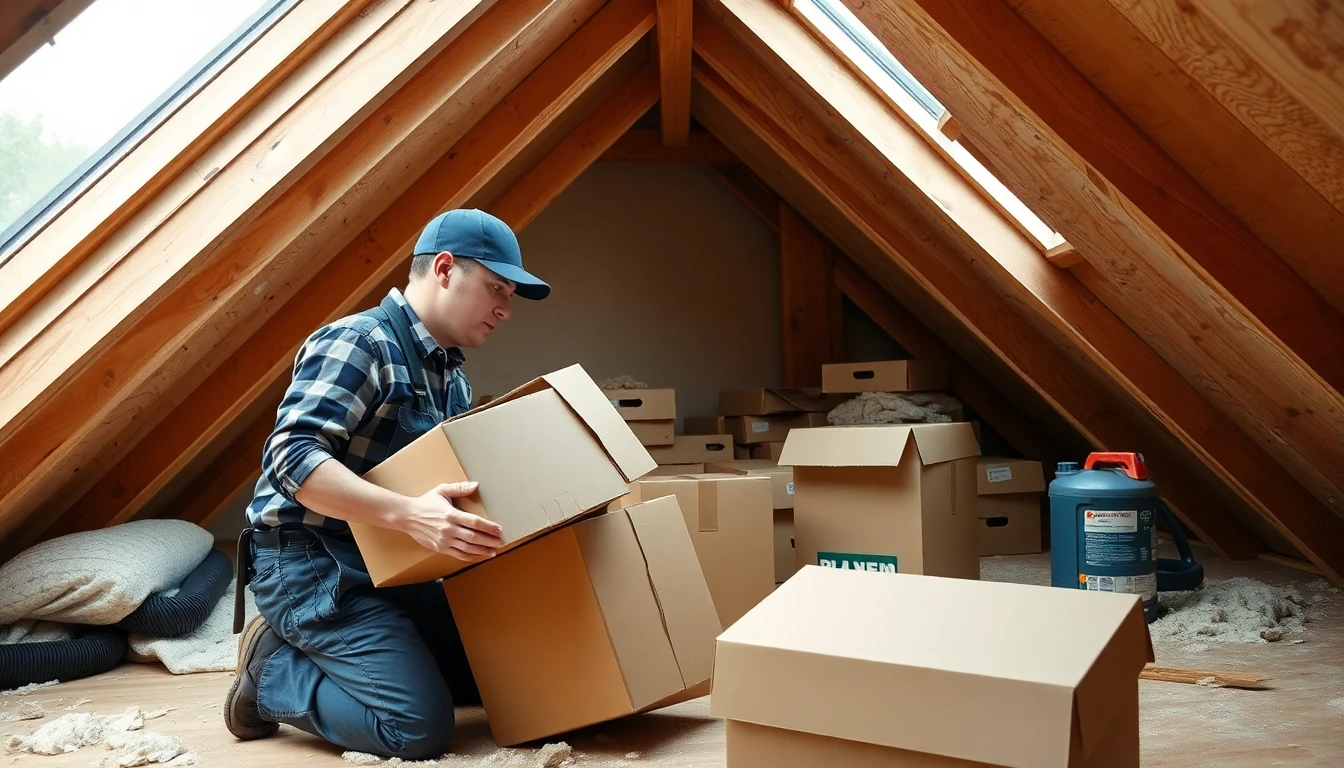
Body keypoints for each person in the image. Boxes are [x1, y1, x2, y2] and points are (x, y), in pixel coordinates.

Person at [224, 209, 550, 759]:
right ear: (444, 269)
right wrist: (407, 514)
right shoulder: (361, 343)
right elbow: (290, 456)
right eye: (497, 288)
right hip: (309, 563)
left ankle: (347, 655)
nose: (505, 309)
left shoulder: (453, 377)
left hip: (393, 562)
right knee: (417, 728)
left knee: (500, 678)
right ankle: (270, 673)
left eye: (511, 295)